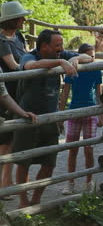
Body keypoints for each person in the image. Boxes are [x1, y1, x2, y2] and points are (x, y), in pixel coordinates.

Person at [14, 29, 93, 208]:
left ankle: (36, 200)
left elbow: (89, 58)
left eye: (61, 46)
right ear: (44, 46)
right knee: (23, 161)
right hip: (28, 117)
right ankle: (23, 201)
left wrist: (75, 59)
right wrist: (60, 61)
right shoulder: (29, 56)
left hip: (50, 118)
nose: (61, 49)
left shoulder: (60, 53)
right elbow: (30, 67)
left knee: (49, 162)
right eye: (58, 46)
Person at [59, 43, 103, 195]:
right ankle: (70, 182)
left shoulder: (96, 70)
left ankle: (88, 181)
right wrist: (60, 114)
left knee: (89, 149)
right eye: (89, 55)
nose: (92, 58)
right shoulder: (72, 69)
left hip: (90, 112)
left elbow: (99, 94)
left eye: (94, 55)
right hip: (74, 112)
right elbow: (65, 92)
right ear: (81, 56)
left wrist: (101, 114)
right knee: (72, 149)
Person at [0, 1, 32, 198]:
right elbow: (13, 65)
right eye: (21, 17)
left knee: (11, 139)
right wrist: (33, 63)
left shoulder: (19, 36)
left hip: (17, 92)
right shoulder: (1, 41)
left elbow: (26, 57)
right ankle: (4, 182)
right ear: (13, 20)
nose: (24, 20)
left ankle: (6, 181)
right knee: (4, 140)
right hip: (5, 94)